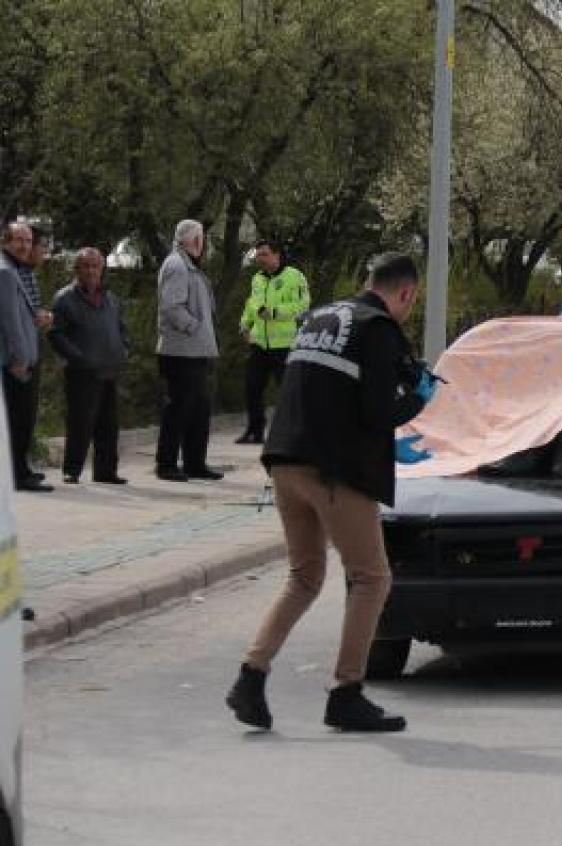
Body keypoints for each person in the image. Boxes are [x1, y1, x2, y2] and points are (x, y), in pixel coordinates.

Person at [226, 252, 436, 733]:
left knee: (304, 577)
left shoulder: (321, 316)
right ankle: (346, 693)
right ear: (407, 293)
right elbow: (379, 411)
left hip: (285, 462)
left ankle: (250, 678)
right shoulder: (379, 329)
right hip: (334, 472)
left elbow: (328, 390)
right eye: (411, 302)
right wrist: (418, 400)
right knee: (371, 577)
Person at [48, 248, 130, 485]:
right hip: (82, 372)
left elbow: (122, 329)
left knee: (109, 424)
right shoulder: (64, 299)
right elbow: (56, 334)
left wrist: (124, 349)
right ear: (77, 269)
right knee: (80, 422)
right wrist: (78, 357)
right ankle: (72, 470)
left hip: (110, 369)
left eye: (96, 266)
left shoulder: (111, 299)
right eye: (86, 266)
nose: (92, 271)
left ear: (102, 269)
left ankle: (106, 472)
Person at [155, 219, 221, 482]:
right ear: (189, 240)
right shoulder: (176, 265)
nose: (201, 243)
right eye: (198, 238)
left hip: (195, 351)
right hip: (180, 351)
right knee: (179, 408)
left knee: (199, 409)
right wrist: (194, 327)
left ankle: (195, 463)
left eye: (202, 238)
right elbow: (171, 306)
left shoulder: (190, 265)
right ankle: (167, 464)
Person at [236, 239, 310, 444]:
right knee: (252, 388)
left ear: (277, 255)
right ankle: (254, 430)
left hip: (285, 345)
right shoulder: (257, 279)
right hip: (259, 343)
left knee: (288, 391)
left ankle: (292, 433)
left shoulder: (294, 276)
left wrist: (276, 313)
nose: (260, 259)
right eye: (258, 255)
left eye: (265, 254)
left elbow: (303, 306)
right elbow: (251, 304)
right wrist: (244, 324)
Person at [0, 222, 53, 491]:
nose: (24, 246)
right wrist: (19, 359)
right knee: (19, 420)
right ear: (6, 241)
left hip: (24, 357)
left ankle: (22, 470)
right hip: (16, 362)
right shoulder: (6, 272)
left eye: (28, 240)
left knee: (24, 419)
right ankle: (18, 475)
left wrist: (38, 317)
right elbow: (9, 321)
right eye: (18, 240)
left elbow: (21, 315)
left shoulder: (17, 269)